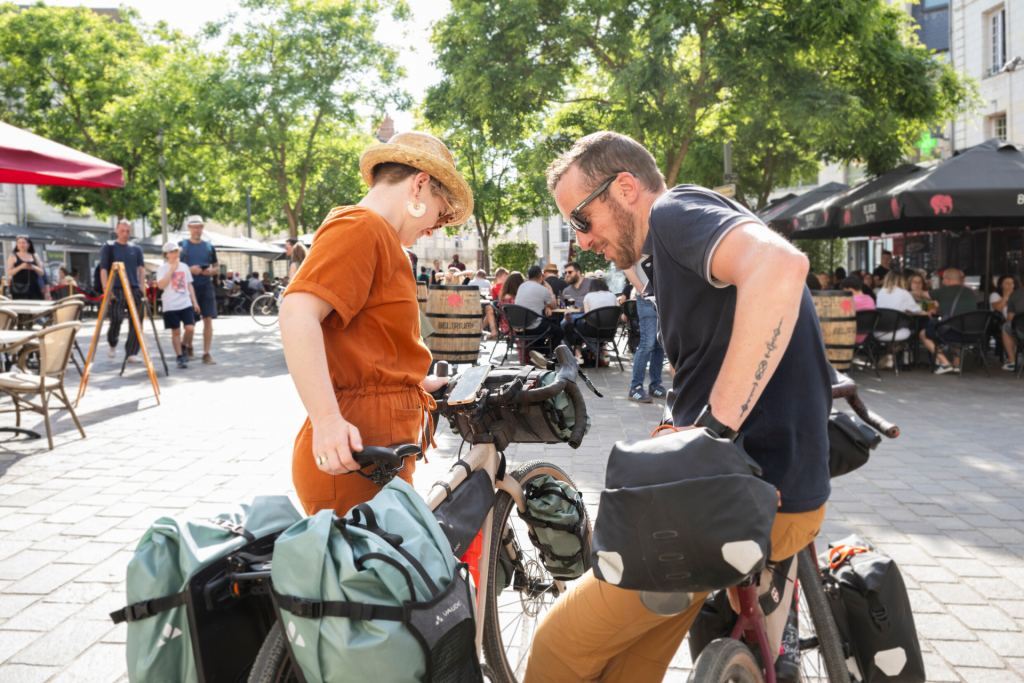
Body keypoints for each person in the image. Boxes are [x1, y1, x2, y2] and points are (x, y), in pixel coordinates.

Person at [529, 131, 830, 683]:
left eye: (580, 219)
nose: (582, 240)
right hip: (768, 498)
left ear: (625, 188)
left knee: (556, 649)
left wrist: (713, 431)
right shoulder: (665, 255)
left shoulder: (674, 211)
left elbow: (782, 268)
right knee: (631, 662)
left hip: (729, 503)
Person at [278, 130, 467, 516]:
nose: (437, 226)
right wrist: (327, 419)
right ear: (419, 185)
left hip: (371, 456)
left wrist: (416, 382)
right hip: (356, 457)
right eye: (442, 211)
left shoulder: (377, 235)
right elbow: (297, 312)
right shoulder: (362, 227)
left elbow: (366, 345)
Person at [100, 220, 147, 364]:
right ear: (116, 230)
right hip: (116, 288)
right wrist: (106, 290)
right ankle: (112, 342)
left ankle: (132, 353)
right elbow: (104, 269)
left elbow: (141, 269)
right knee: (116, 318)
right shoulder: (108, 247)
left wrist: (141, 288)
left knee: (137, 321)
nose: (125, 234)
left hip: (133, 288)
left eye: (128, 231)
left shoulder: (137, 248)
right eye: (122, 231)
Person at [919, 268, 977, 374]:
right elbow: (957, 307)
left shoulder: (943, 291)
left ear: (947, 279)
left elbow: (922, 294)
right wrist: (937, 309)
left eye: (943, 278)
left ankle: (945, 363)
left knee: (923, 334)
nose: (942, 281)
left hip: (954, 333)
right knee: (957, 324)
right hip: (973, 334)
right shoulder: (970, 292)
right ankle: (956, 364)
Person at [621, 266, 666, 403]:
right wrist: (642, 290)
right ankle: (635, 388)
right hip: (647, 297)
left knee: (660, 344)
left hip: (664, 296)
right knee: (647, 343)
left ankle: (655, 385)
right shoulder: (638, 243)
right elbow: (627, 267)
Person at [178, 216, 219, 365]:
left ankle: (206, 353)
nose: (197, 230)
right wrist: (189, 270)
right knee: (191, 322)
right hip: (188, 287)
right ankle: (188, 346)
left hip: (206, 285)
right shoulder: (182, 246)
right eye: (194, 227)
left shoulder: (209, 247)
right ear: (189, 228)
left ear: (202, 228)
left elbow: (217, 267)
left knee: (208, 319)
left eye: (199, 227)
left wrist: (211, 272)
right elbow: (173, 267)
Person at [155, 242, 201, 369]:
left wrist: (195, 302)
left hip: (185, 302)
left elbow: (189, 284)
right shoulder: (162, 268)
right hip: (170, 304)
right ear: (166, 255)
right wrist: (171, 270)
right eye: (172, 251)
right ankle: (180, 357)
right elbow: (160, 286)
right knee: (176, 331)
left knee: (190, 328)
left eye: (177, 251)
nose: (176, 253)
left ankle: (184, 345)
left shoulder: (185, 266)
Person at [513, 265, 564, 362]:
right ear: (541, 277)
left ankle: (536, 353)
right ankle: (542, 353)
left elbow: (531, 303)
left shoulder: (521, 286)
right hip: (533, 327)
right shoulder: (543, 290)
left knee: (543, 323)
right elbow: (553, 305)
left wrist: (545, 306)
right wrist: (550, 288)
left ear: (528, 277)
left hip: (518, 328)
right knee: (559, 332)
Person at [6, 235, 44, 300]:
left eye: (23, 243)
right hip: (19, 287)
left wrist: (34, 267)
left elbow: (41, 273)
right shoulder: (12, 256)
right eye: (19, 243)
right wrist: (21, 267)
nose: (21, 245)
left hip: (34, 286)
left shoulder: (35, 255)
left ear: (28, 244)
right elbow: (9, 273)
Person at [1000, 282, 1024, 371]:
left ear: (1020, 283)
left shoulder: (1014, 294)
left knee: (1006, 326)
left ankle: (1012, 361)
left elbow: (1010, 319)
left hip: (1022, 331)